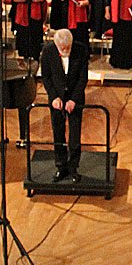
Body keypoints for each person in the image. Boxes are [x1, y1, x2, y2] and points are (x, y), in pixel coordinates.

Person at [40, 29, 88, 183]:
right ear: (56, 45)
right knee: (58, 132)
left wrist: (73, 99)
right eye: (62, 48)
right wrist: (54, 97)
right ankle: (61, 166)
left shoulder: (81, 50)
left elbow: (83, 78)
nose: (66, 50)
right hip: (56, 99)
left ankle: (73, 167)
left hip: (75, 98)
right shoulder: (48, 51)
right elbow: (46, 77)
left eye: (68, 47)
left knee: (75, 134)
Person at [12, 0, 47, 67]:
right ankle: (24, 57)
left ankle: (35, 57)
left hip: (35, 13)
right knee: (23, 36)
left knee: (35, 36)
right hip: (22, 13)